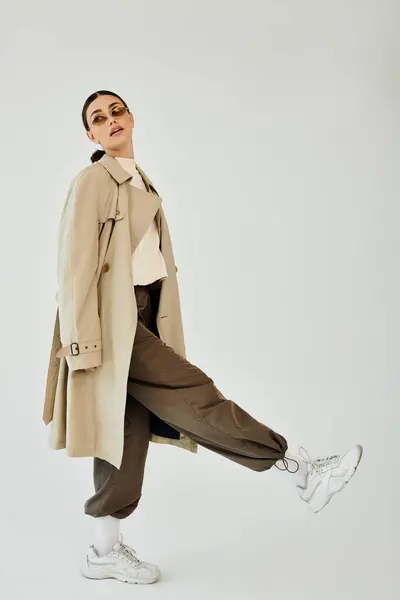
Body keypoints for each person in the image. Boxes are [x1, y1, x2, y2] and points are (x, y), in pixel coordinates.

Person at [44, 89, 363, 586]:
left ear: (131, 117)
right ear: (90, 135)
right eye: (98, 118)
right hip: (112, 321)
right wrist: (83, 342)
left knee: (124, 437)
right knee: (196, 395)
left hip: (142, 313)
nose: (110, 121)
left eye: (116, 111)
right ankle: (299, 468)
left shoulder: (139, 181)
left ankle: (102, 552)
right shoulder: (93, 180)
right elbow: (74, 267)